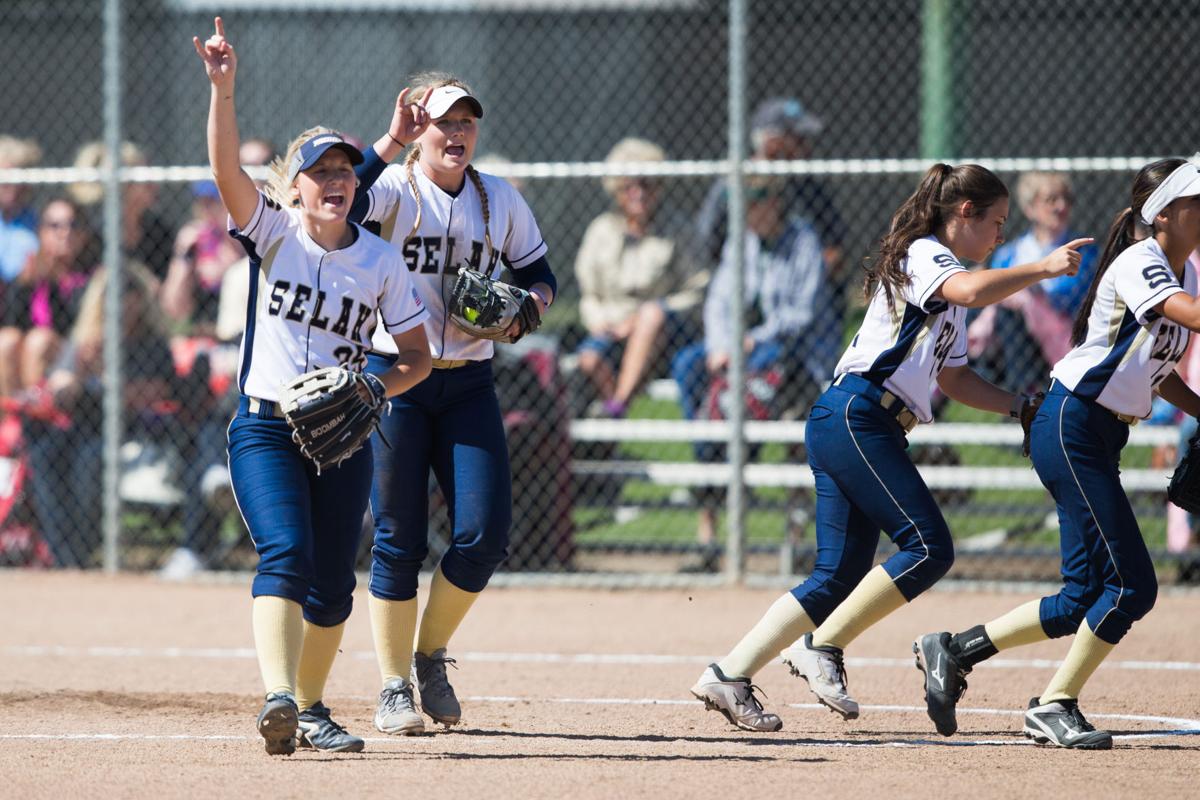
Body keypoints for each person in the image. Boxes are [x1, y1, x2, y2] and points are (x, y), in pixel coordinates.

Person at [689, 163, 1087, 732]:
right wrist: (1040, 266)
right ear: (963, 213)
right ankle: (821, 646)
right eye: (995, 222)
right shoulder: (927, 253)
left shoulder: (946, 287)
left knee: (837, 573)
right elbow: (973, 291)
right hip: (858, 414)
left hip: (857, 421)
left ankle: (729, 673)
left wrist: (1019, 406)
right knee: (929, 547)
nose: (1000, 236)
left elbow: (953, 380)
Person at [193, 18, 433, 755]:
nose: (334, 181)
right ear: (294, 188)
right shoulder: (273, 234)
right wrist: (224, 93)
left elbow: (417, 356)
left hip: (345, 433)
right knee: (286, 555)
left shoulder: (381, 262)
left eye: (343, 171)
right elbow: (228, 171)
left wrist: (376, 390)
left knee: (334, 586)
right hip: (266, 427)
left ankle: (310, 706)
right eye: (320, 171)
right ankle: (279, 696)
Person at [913, 158, 1200, 750]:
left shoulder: (1186, 273)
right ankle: (1054, 704)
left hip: (1098, 434)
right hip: (1070, 423)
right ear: (1164, 213)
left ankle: (953, 649)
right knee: (1131, 587)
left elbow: (1160, 369)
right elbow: (1181, 316)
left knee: (1079, 597)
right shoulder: (1141, 262)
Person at [350, 72, 556, 736]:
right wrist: (387, 142)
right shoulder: (390, 190)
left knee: (483, 536)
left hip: (469, 382)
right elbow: (338, 208)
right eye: (444, 121)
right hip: (397, 378)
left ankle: (428, 655)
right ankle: (391, 686)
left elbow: (539, 276)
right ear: (419, 125)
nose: (458, 133)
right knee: (398, 537)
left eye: (467, 121)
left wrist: (528, 311)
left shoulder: (498, 199)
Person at [672, 175, 840, 571]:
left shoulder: (803, 242)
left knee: (792, 425)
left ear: (775, 204)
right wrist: (720, 344)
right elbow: (718, 301)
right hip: (738, 351)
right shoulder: (741, 240)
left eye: (754, 206)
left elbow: (802, 315)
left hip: (792, 353)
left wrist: (750, 340)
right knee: (688, 368)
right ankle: (709, 533)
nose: (747, 215)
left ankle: (795, 546)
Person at [24, 261, 176, 568]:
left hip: (131, 430)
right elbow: (59, 390)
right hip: (83, 425)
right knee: (45, 453)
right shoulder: (85, 341)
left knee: (89, 459)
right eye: (112, 293)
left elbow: (155, 393)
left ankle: (81, 551)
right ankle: (64, 556)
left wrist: (104, 380)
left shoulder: (151, 343)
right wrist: (80, 371)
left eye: (129, 292)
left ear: (141, 298)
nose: (121, 301)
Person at [574, 137, 703, 418]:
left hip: (666, 334)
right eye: (629, 186)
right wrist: (600, 321)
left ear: (659, 187)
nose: (638, 193)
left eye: (647, 184)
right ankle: (610, 428)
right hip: (613, 329)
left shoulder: (679, 229)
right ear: (616, 190)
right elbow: (589, 293)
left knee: (650, 314)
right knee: (589, 359)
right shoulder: (601, 230)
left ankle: (618, 405)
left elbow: (697, 290)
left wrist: (646, 317)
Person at [694, 97, 847, 308]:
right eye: (799, 140)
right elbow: (707, 240)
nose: (807, 148)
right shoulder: (735, 180)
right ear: (772, 143)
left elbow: (835, 243)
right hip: (740, 288)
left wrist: (811, 276)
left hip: (797, 295)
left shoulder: (806, 183)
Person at [967, 171, 1099, 392]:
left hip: (1063, 331)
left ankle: (1024, 393)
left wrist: (1025, 295)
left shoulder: (1085, 251)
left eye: (1067, 199)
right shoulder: (1009, 253)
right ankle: (941, 384)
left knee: (1014, 304)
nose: (1061, 206)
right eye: (1051, 200)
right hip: (1008, 336)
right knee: (976, 300)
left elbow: (1068, 296)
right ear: (1030, 208)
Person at [0, 198, 96, 397]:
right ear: (41, 233)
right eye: (54, 226)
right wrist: (27, 282)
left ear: (84, 234)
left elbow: (74, 328)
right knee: (6, 341)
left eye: (73, 225)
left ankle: (37, 418)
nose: (64, 233)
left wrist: (57, 282)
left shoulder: (90, 275)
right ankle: (11, 417)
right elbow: (12, 322)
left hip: (72, 352)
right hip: (30, 349)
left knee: (39, 341)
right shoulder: (32, 271)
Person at [68, 139, 174, 281]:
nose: (155, 186)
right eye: (146, 182)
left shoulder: (159, 232)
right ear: (125, 187)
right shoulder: (95, 237)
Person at [160, 180, 246, 335]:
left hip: (237, 332)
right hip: (200, 332)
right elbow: (172, 306)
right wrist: (183, 256)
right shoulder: (193, 244)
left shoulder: (244, 241)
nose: (206, 212)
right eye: (201, 204)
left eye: (213, 204)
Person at [0, 135, 42, 285]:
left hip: (23, 296)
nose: (12, 187)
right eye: (5, 179)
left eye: (16, 178)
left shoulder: (38, 221)